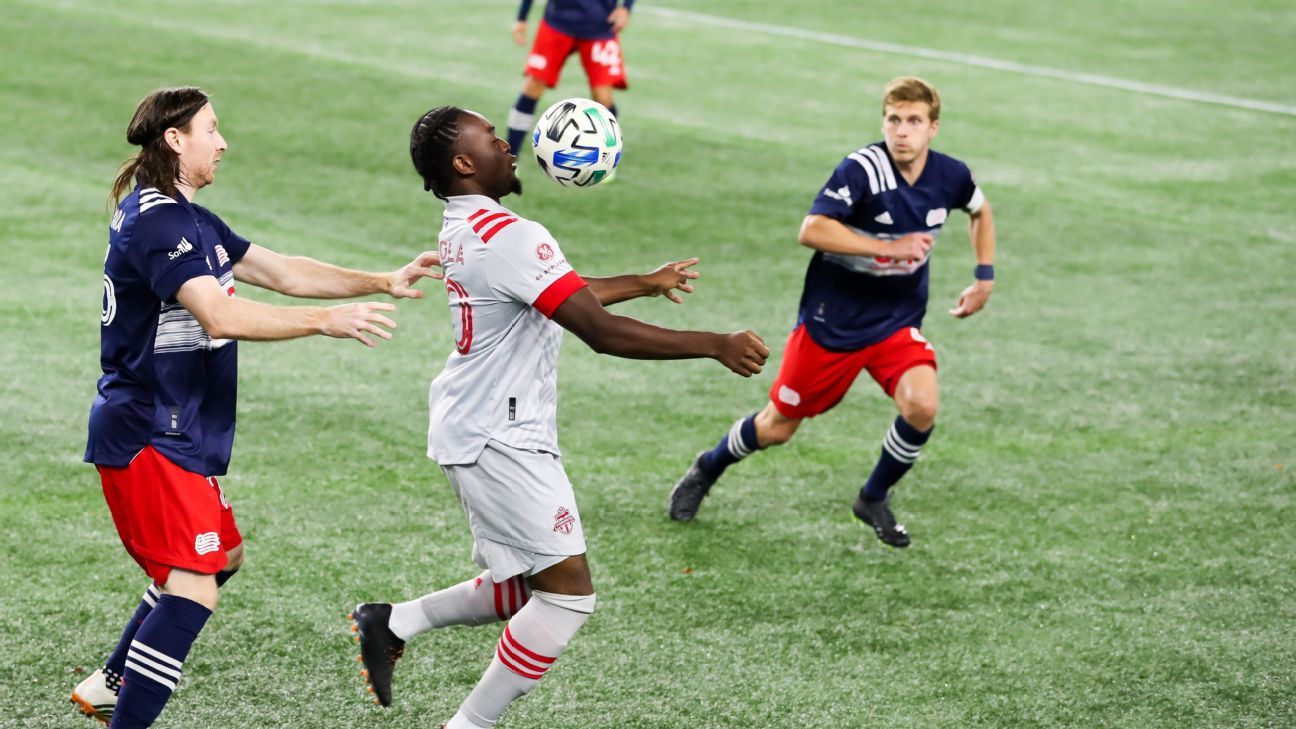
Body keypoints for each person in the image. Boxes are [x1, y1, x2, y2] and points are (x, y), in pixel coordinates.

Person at [348, 106, 769, 729]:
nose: (508, 145)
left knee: (526, 583)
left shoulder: (469, 226)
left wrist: (643, 282)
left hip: (479, 425)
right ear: (464, 163)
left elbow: (556, 290)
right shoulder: (513, 235)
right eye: (491, 139)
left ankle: (396, 620)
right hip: (499, 437)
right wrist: (713, 342)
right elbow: (597, 331)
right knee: (568, 598)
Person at [71, 86, 441, 728]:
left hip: (178, 432)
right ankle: (123, 709)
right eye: (210, 129)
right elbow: (219, 312)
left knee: (223, 560)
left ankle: (111, 680)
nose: (223, 141)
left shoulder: (190, 219)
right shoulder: (159, 222)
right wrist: (325, 322)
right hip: (148, 432)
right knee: (192, 590)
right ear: (175, 140)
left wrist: (382, 279)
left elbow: (286, 271)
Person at [667, 77, 998, 548]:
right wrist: (885, 245)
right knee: (776, 427)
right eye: (893, 120)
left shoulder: (950, 176)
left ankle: (872, 496)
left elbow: (980, 211)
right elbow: (812, 229)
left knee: (922, 405)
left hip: (896, 322)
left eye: (914, 121)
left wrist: (984, 276)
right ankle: (708, 467)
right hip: (832, 325)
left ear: (934, 128)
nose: (902, 131)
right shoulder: (862, 169)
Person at [505, 0, 634, 154]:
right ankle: (509, 157)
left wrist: (627, 7)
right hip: (558, 22)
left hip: (600, 26)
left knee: (604, 100)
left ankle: (608, 156)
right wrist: (522, 17)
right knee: (533, 86)